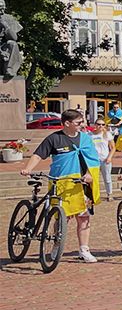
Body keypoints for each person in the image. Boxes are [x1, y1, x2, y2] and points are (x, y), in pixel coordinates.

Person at [20, 109, 101, 263]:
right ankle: (57, 243)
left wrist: (90, 175)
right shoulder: (54, 139)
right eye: (78, 123)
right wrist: (28, 168)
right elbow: (38, 154)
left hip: (81, 184)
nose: (81, 125)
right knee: (62, 217)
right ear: (67, 123)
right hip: (60, 182)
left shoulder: (85, 139)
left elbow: (93, 159)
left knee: (84, 218)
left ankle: (84, 249)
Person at [92, 122, 115, 201]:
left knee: (107, 178)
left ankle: (109, 193)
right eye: (98, 124)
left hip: (105, 159)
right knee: (94, 179)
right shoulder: (90, 135)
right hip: (94, 160)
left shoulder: (107, 134)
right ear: (95, 125)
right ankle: (95, 195)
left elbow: (113, 147)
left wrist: (109, 157)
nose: (100, 126)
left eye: (103, 124)